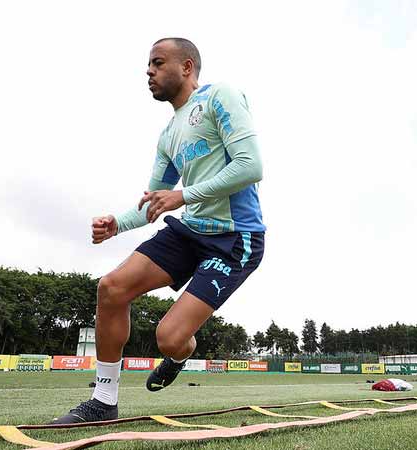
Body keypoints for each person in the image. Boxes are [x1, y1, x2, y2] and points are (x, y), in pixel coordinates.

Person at [52, 37, 265, 424]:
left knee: (169, 338)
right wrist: (118, 224)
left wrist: (183, 196)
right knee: (111, 288)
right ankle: (103, 401)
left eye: (157, 62)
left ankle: (181, 354)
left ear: (187, 67)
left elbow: (251, 167)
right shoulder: (168, 135)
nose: (148, 71)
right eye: (148, 65)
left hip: (235, 240)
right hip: (189, 231)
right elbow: (157, 200)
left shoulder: (221, 96)